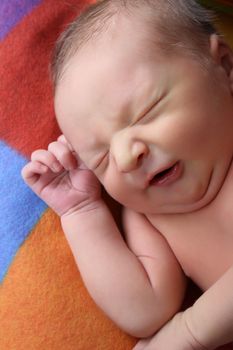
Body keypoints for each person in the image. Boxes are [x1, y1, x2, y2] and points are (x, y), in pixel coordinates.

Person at [21, 0, 233, 349]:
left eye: (145, 112)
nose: (125, 156)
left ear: (223, 65)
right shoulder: (151, 216)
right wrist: (81, 213)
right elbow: (144, 311)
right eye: (101, 157)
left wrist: (189, 333)